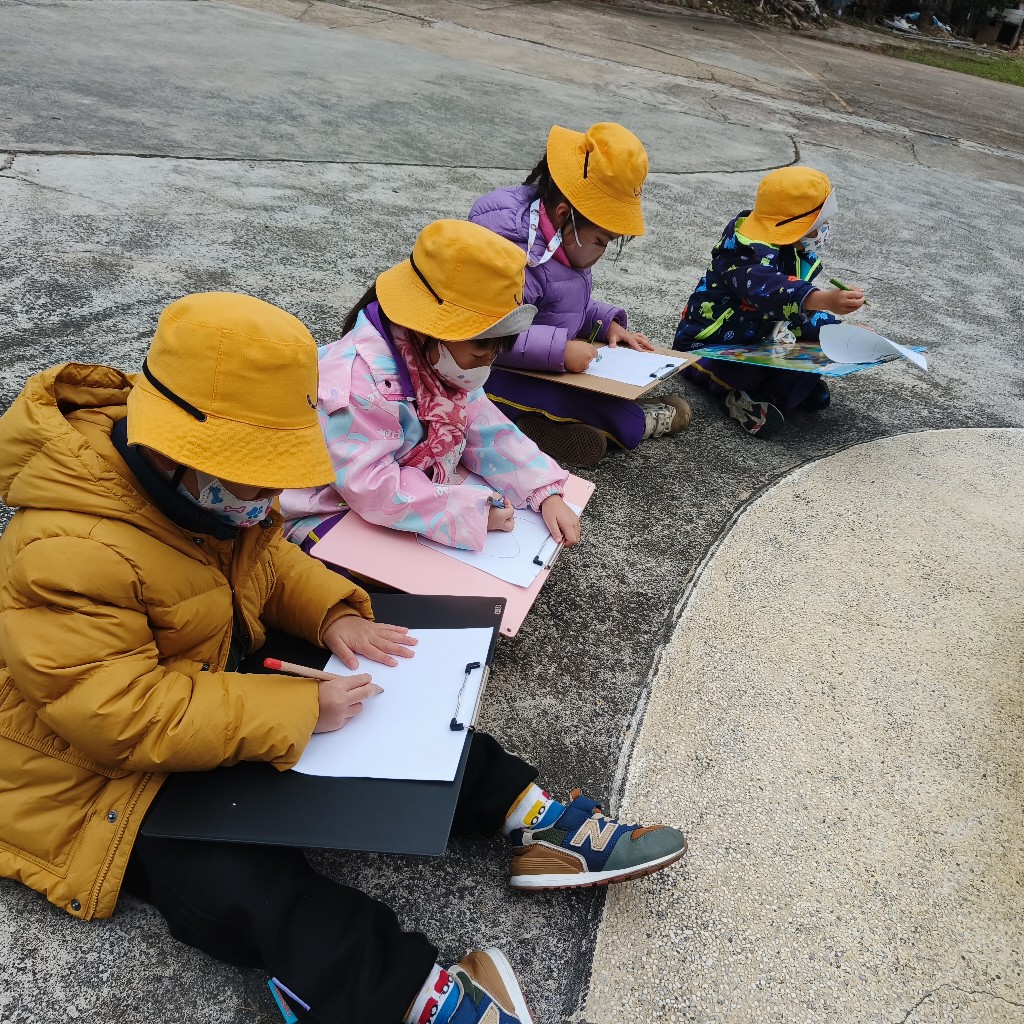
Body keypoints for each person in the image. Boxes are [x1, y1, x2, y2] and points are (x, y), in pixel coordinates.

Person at [0, 292, 687, 1024]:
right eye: (258, 479)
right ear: (178, 452)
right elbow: (117, 715)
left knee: (387, 699)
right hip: (93, 778)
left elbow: (267, 562)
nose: (269, 498)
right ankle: (407, 998)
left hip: (204, 687)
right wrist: (298, 709)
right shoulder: (65, 549)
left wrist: (332, 613)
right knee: (241, 884)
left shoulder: (205, 493)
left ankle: (532, 816)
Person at [280, 219, 582, 556]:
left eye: (496, 352)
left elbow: (486, 427)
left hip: (397, 495)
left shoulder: (440, 362)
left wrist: (545, 491)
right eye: (480, 352)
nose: (487, 363)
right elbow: (370, 486)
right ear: (429, 330)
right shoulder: (357, 385)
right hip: (325, 508)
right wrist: (471, 511)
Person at [467, 122, 691, 468]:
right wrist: (560, 350)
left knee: (583, 395)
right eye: (601, 240)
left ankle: (534, 429)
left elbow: (561, 305)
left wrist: (605, 323)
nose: (603, 251)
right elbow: (489, 330)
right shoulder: (518, 253)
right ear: (563, 216)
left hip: (537, 366)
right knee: (597, 407)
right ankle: (638, 420)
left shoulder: (559, 242)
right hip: (487, 373)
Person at [672, 165, 865, 438]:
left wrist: (841, 332)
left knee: (815, 359)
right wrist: (822, 299)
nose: (824, 231)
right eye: (817, 226)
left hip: (761, 344)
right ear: (795, 226)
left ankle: (771, 398)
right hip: (709, 344)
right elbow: (772, 292)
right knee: (738, 373)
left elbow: (797, 315)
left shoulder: (792, 253)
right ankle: (752, 399)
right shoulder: (741, 254)